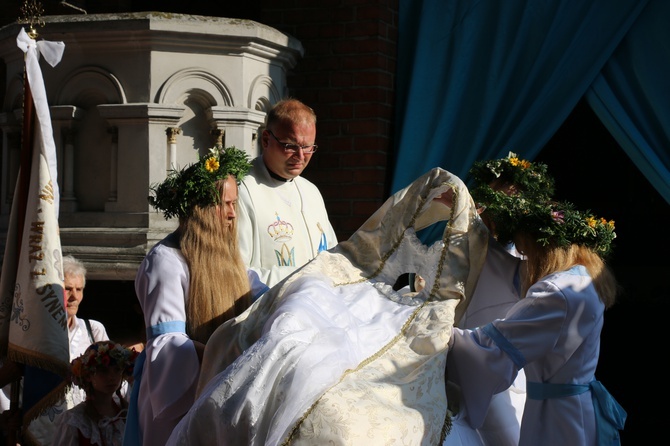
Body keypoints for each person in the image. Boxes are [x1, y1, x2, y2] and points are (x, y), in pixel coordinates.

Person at [167, 167, 490, 445]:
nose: (232, 212)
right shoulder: (250, 190)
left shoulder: (311, 191)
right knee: (291, 331)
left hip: (350, 307)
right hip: (314, 296)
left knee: (309, 358)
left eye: (308, 146)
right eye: (227, 204)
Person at [446, 188, 626, 445]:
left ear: (545, 250)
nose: (525, 259)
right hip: (576, 405)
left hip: (557, 418)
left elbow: (493, 348)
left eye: (527, 251)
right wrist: (470, 219)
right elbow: (507, 269)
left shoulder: (557, 292)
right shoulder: (582, 277)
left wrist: (442, 332)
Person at [124, 146, 269, 446]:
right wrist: (224, 354)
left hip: (220, 385)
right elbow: (168, 343)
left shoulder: (225, 256)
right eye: (225, 204)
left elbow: (257, 290)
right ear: (203, 210)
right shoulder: (165, 261)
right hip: (178, 399)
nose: (232, 213)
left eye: (234, 203)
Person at [445, 152, 556, 446]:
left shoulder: (530, 253)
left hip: (514, 364)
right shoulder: (468, 242)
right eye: (504, 199)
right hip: (473, 356)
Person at [0, 255, 113, 445]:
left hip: (83, 431)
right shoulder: (31, 336)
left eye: (79, 289)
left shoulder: (94, 330)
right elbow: (7, 385)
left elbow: (111, 376)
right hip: (39, 433)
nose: (74, 297)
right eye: (68, 289)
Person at [237, 98, 338, 288]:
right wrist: (304, 280)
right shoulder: (242, 190)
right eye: (291, 145)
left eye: (308, 147)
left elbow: (332, 257)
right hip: (268, 311)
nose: (300, 156)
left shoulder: (311, 192)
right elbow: (235, 272)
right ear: (266, 140)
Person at [52, 340, 138, 446]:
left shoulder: (127, 413)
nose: (112, 377)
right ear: (88, 376)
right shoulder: (74, 420)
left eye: (117, 370)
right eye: (103, 371)